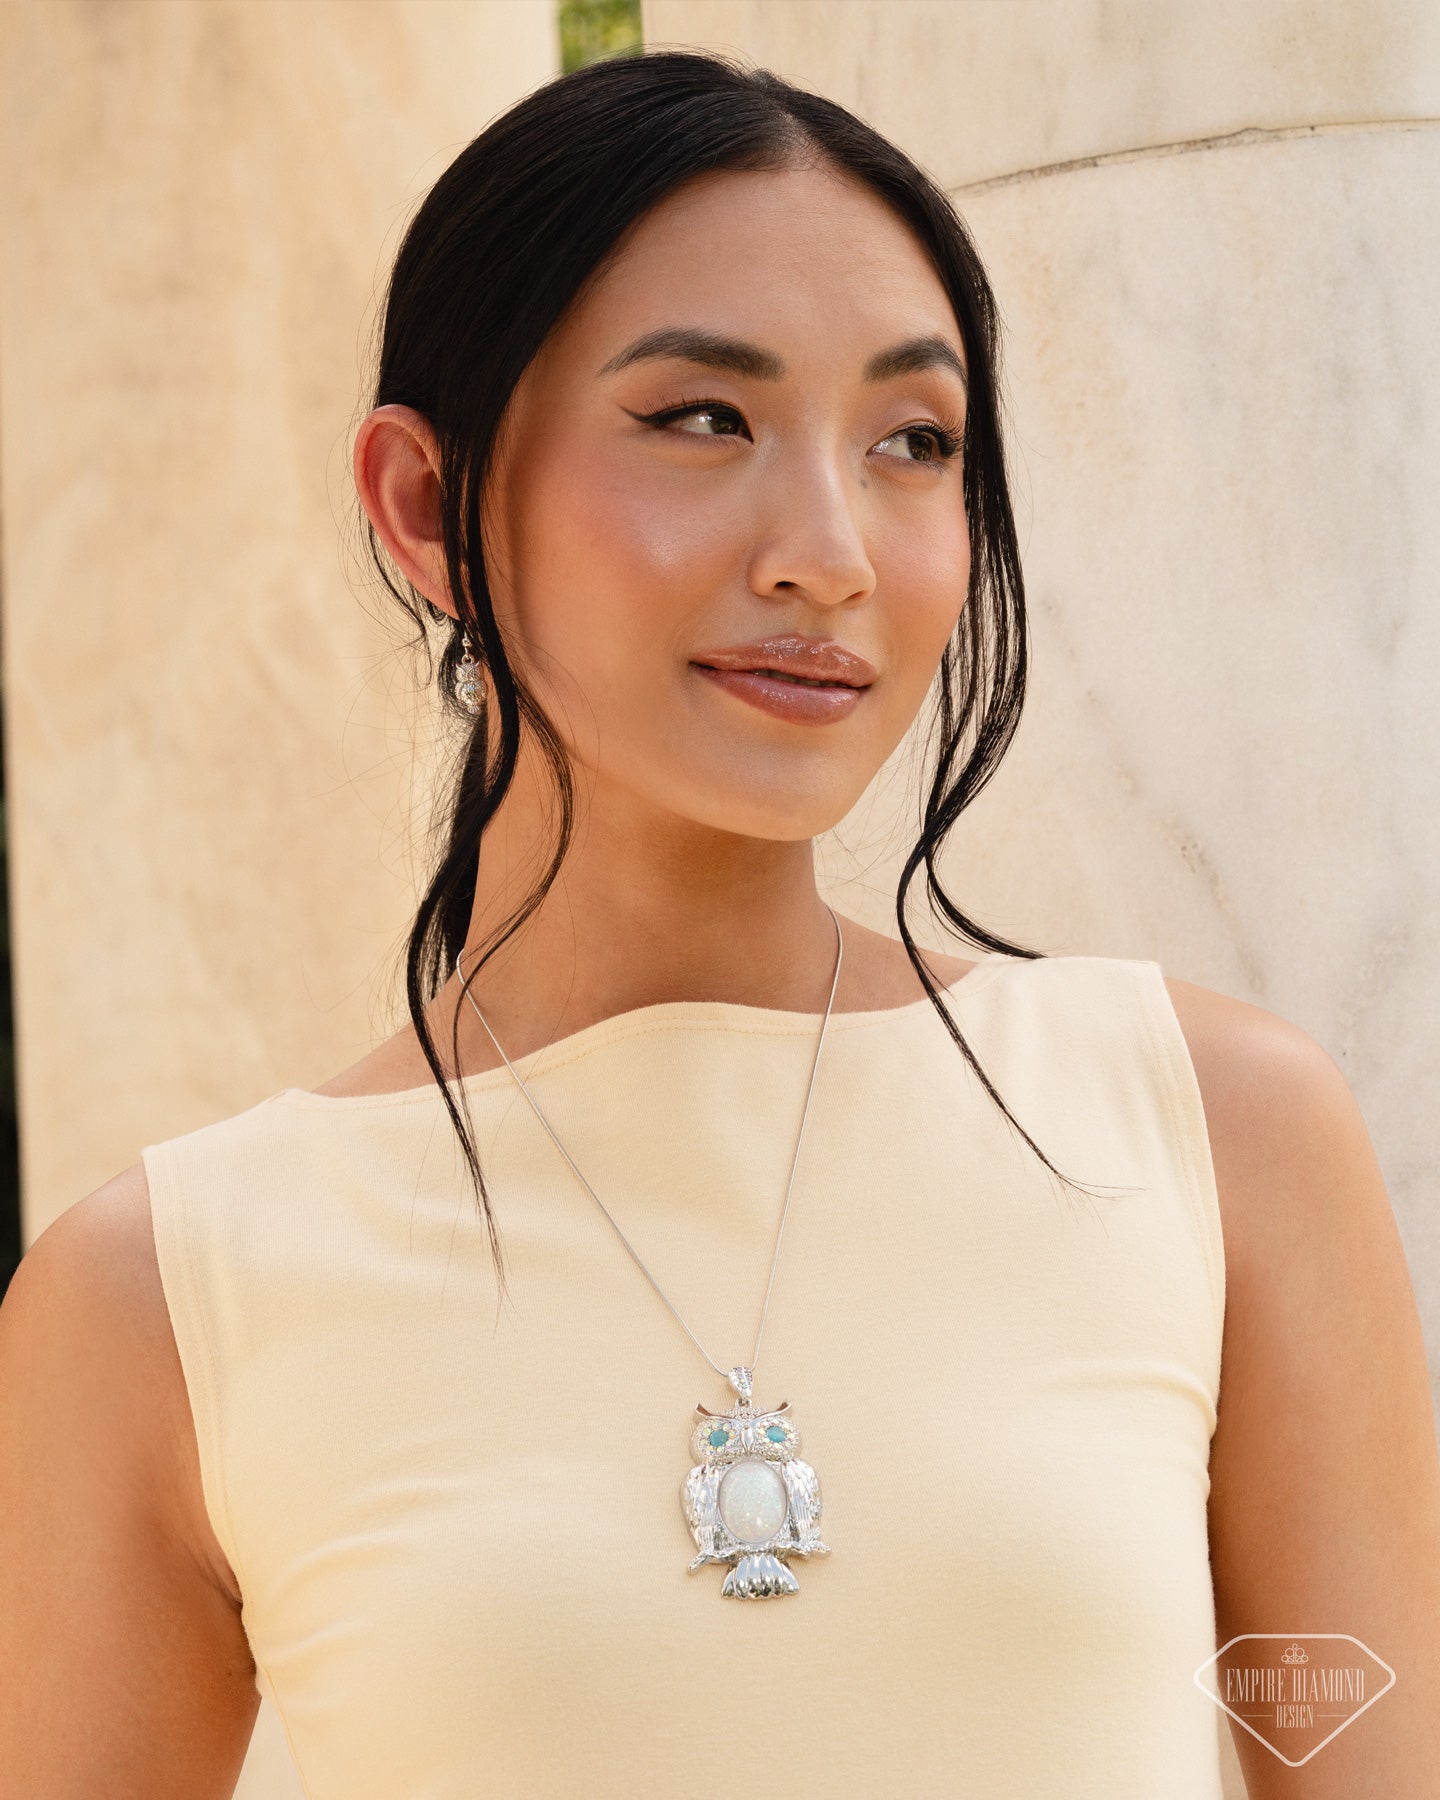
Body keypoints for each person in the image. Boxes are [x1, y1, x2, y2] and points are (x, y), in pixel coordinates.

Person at [2, 48, 1437, 1800]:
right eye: (704, 417)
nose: (829, 551)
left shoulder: (1218, 1137)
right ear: (427, 507)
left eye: (914, 442)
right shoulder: (158, 1295)